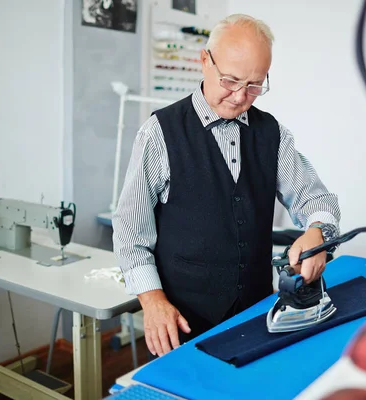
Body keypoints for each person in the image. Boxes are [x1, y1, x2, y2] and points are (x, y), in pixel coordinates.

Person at [112, 13, 341, 358]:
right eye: (231, 81)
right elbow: (130, 234)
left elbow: (316, 198)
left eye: (254, 85)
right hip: (183, 325)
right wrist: (152, 300)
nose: (239, 97)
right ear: (204, 61)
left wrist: (318, 232)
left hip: (255, 314)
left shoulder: (272, 135)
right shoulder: (159, 133)